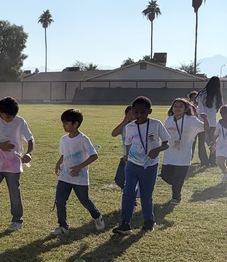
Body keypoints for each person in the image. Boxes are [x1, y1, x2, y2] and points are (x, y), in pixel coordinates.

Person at [113, 96, 169, 234]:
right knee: (128, 193)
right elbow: (127, 144)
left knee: (146, 194)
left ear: (149, 111)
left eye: (142, 112)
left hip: (150, 166)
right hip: (132, 165)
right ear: (132, 112)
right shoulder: (130, 127)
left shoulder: (156, 124)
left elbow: (166, 143)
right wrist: (126, 157)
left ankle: (149, 221)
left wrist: (157, 150)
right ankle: (125, 223)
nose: (139, 115)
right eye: (136, 112)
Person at [0, 96, 34, 232]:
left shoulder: (20, 121)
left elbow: (30, 139)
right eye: (7, 116)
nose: (10, 119)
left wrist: (28, 153)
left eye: (12, 116)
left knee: (14, 193)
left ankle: (17, 220)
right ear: (0, 112)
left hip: (14, 164)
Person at [50, 109, 104, 236]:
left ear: (76, 124)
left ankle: (97, 216)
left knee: (84, 200)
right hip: (65, 176)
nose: (64, 126)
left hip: (80, 177)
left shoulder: (83, 139)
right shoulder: (63, 139)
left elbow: (94, 156)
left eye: (67, 123)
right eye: (63, 123)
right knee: (60, 200)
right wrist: (58, 163)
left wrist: (79, 167)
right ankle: (63, 227)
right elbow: (64, 154)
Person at [159, 98, 205, 205]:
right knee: (165, 175)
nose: (178, 108)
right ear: (172, 108)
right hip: (170, 153)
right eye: (175, 106)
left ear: (185, 109)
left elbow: (205, 128)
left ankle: (176, 197)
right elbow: (165, 135)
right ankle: (177, 183)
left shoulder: (191, 120)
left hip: (184, 154)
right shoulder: (169, 120)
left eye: (180, 106)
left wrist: (205, 119)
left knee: (179, 178)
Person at [194, 77, 223, 167]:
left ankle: (204, 161)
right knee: (212, 141)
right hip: (212, 122)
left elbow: (197, 103)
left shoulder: (202, 93)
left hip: (201, 121)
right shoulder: (218, 95)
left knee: (201, 142)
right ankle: (212, 160)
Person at [215, 104, 227, 186]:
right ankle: (225, 172)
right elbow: (216, 134)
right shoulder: (219, 123)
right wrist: (212, 143)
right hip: (221, 145)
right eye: (222, 113)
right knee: (219, 161)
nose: (224, 115)